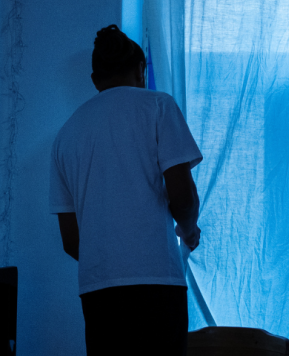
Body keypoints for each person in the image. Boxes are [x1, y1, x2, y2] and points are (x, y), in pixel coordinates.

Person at [49, 25, 202, 356]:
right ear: (140, 70)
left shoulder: (66, 135)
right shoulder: (158, 107)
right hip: (157, 283)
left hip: (98, 291)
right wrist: (188, 231)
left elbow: (71, 241)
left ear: (94, 79)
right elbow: (184, 198)